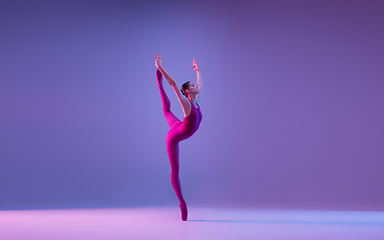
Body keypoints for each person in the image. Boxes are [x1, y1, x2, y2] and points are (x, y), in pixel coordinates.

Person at [154, 54, 203, 221]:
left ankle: (158, 84)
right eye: (193, 85)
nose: (196, 85)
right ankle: (182, 202)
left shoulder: (197, 101)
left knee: (167, 112)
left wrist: (198, 71)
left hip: (178, 126)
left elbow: (201, 84)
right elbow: (174, 84)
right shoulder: (187, 104)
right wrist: (160, 68)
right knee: (175, 171)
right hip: (174, 136)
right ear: (187, 91)